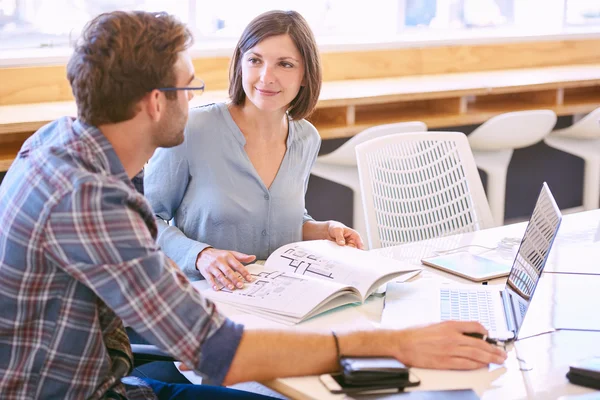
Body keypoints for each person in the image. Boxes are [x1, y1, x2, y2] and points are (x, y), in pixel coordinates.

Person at [0, 10, 506, 400]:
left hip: (104, 366)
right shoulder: (93, 200)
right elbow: (216, 350)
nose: (196, 95)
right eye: (188, 86)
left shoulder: (57, 146)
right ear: (157, 102)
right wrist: (396, 343)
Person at [144, 10, 362, 291]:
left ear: (306, 75)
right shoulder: (193, 129)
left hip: (278, 297)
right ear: (240, 65)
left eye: (284, 64)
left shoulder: (307, 139)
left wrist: (324, 229)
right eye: (255, 60)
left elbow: (278, 221)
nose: (265, 77)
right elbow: (143, 219)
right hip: (201, 300)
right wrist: (200, 255)